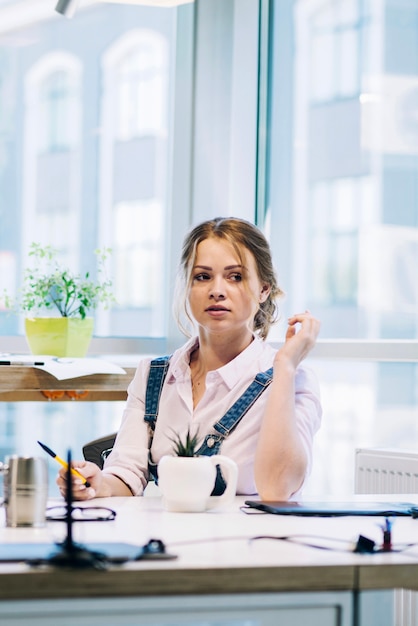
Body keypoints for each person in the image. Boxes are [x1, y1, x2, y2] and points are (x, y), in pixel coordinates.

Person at [57, 217, 322, 501]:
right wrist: (98, 484)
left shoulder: (293, 379)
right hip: (171, 539)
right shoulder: (154, 375)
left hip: (253, 541)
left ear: (263, 289)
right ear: (187, 286)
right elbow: (127, 474)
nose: (216, 290)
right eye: (202, 276)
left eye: (235, 277)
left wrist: (284, 367)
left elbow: (277, 489)